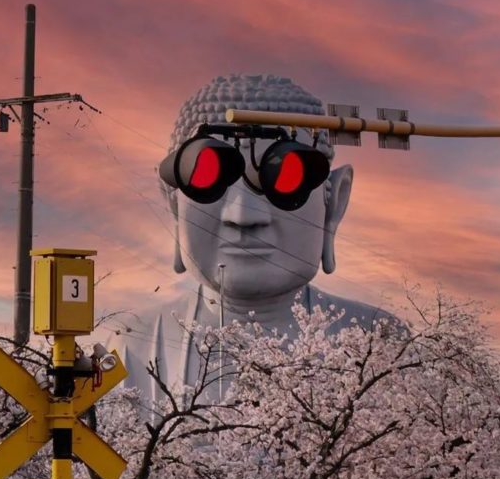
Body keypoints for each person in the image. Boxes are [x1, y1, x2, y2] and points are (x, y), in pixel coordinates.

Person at [115, 74, 390, 409]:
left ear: (334, 202)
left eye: (287, 176)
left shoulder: (380, 340)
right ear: (173, 201)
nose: (243, 215)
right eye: (206, 176)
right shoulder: (130, 344)